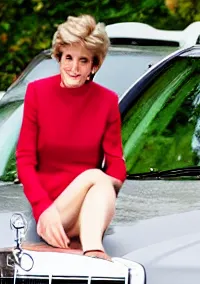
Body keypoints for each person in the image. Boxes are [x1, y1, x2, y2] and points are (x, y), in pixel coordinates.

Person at [16, 14, 127, 261]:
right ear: (59, 57)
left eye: (83, 60)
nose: (74, 68)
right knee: (95, 175)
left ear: (94, 66)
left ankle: (92, 250)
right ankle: (94, 252)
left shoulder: (107, 101)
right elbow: (24, 160)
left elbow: (116, 162)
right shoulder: (37, 92)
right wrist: (42, 209)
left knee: (100, 179)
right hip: (50, 213)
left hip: (88, 212)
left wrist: (110, 187)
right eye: (68, 58)